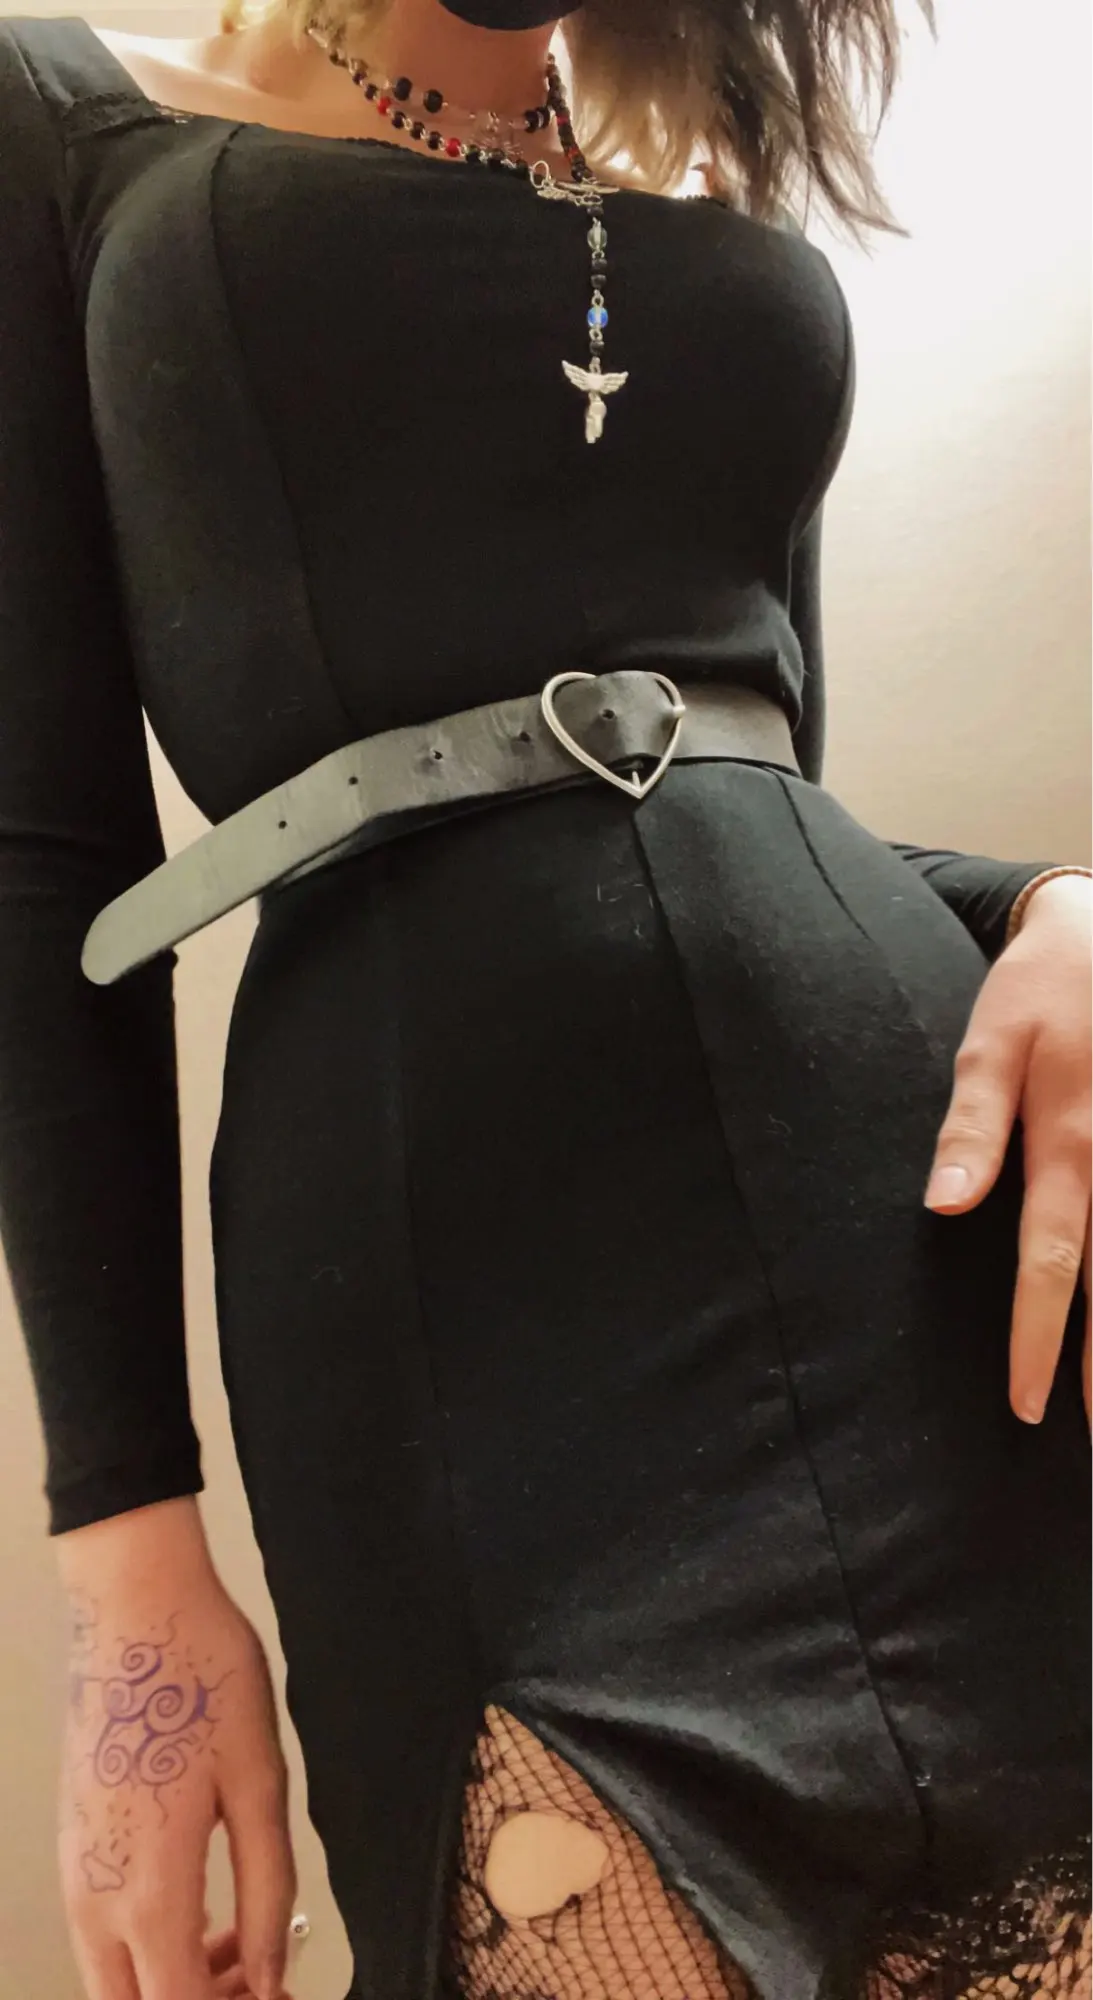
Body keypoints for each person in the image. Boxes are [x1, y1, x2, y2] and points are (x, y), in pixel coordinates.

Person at [0, 0, 1089, 1996]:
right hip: (460, 1329)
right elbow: (36, 854)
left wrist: (1051, 905)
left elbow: (748, 789)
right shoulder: (65, 114)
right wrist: (129, 1565)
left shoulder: (702, 189)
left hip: (921, 1290)